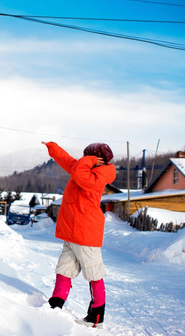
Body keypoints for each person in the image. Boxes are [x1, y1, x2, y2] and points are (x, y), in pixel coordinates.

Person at [42, 141, 116, 329]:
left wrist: (87, 160)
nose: (83, 159)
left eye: (88, 156)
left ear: (96, 159)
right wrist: (52, 147)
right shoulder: (83, 168)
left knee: (94, 274)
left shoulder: (97, 176)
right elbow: (68, 162)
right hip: (72, 232)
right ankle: (55, 307)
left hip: (86, 233)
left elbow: (79, 173)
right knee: (63, 270)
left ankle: (96, 317)